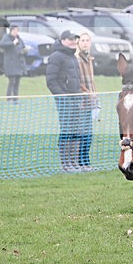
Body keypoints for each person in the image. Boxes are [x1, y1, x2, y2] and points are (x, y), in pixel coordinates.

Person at [46, 29, 84, 171]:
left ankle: (73, 162)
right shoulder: (56, 56)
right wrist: (63, 97)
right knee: (67, 130)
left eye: (75, 39)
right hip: (65, 100)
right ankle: (66, 164)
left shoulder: (72, 56)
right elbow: (51, 81)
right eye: (70, 39)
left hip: (76, 99)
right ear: (62, 41)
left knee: (76, 130)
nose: (73, 41)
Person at [75, 31, 98, 170]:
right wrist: (87, 92)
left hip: (91, 101)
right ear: (78, 43)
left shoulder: (89, 59)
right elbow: (77, 81)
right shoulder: (77, 59)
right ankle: (82, 161)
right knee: (83, 132)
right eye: (82, 40)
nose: (85, 42)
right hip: (82, 101)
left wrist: (95, 94)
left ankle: (86, 161)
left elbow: (92, 81)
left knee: (89, 133)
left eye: (87, 40)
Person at [0, 25, 28, 103]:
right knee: (12, 81)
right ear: (11, 31)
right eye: (14, 30)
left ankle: (15, 99)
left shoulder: (19, 39)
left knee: (17, 82)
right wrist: (12, 43)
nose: (16, 32)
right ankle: (9, 98)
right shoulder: (6, 37)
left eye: (17, 30)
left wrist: (24, 51)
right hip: (10, 64)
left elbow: (22, 47)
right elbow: (2, 44)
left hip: (19, 64)